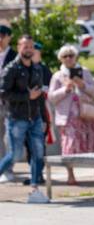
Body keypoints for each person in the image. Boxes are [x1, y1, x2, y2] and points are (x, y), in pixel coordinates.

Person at [48, 45, 94, 185]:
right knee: (70, 146)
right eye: (65, 56)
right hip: (68, 117)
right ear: (60, 59)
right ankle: (71, 175)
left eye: (71, 55)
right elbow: (51, 97)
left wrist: (83, 85)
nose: (68, 58)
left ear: (75, 57)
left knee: (93, 142)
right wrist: (65, 89)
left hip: (87, 114)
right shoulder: (57, 76)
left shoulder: (85, 72)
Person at [0, 35, 49, 203]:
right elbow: (3, 93)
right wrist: (26, 96)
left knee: (38, 153)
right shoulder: (11, 69)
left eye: (31, 47)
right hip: (16, 118)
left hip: (34, 118)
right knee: (15, 155)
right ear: (19, 47)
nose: (28, 49)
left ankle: (34, 190)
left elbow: (40, 95)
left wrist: (43, 118)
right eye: (25, 46)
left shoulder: (37, 68)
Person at [23, 42, 53, 185]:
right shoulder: (25, 68)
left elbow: (49, 90)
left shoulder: (44, 70)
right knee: (28, 146)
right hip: (24, 112)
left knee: (39, 145)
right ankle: (34, 173)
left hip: (41, 112)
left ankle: (39, 174)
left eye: (35, 51)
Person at [0, 25, 17, 182]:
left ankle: (7, 170)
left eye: (2, 36)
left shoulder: (14, 56)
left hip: (10, 102)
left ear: (8, 37)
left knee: (8, 137)